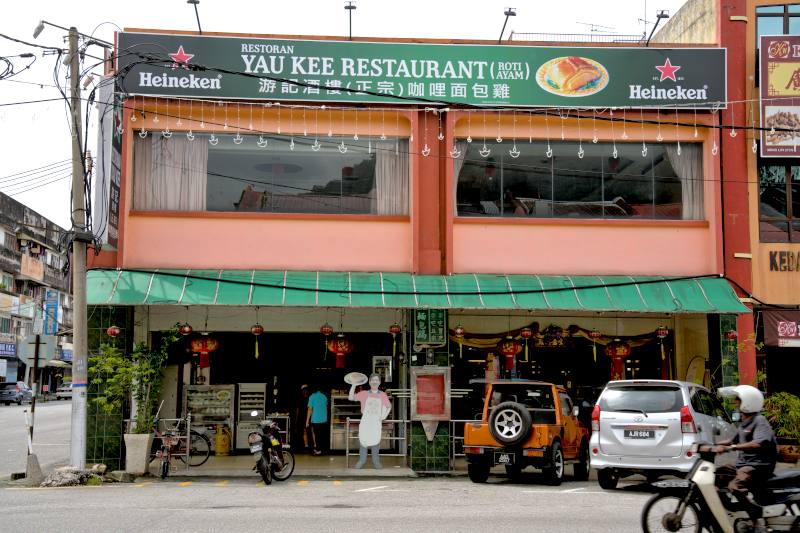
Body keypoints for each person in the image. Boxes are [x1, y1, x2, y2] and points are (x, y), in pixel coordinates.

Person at [714, 385, 778, 533]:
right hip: (744, 464)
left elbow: (758, 443)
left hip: (758, 465)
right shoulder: (745, 421)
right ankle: (729, 510)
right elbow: (731, 440)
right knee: (716, 475)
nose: (735, 402)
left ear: (748, 402)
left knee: (734, 486)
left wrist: (734, 447)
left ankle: (755, 517)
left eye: (738, 399)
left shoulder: (759, 420)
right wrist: (711, 445)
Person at [349, 373, 391, 469]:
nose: (374, 381)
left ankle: (376, 462)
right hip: (366, 421)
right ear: (369, 382)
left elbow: (389, 406)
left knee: (375, 441)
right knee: (363, 441)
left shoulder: (383, 395)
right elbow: (351, 397)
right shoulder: (364, 393)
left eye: (377, 380)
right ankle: (361, 461)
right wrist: (353, 385)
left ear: (379, 382)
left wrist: (383, 416)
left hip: (376, 422)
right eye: (373, 380)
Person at [306, 384, 329, 456]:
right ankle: (322, 450)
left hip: (316, 419)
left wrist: (307, 421)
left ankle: (318, 450)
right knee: (322, 435)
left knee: (317, 435)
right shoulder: (324, 396)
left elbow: (310, 409)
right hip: (324, 419)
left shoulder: (312, 397)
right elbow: (326, 407)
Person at [293, 384, 311, 451]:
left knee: (310, 430)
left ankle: (310, 445)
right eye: (304, 390)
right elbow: (298, 409)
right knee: (304, 430)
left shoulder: (310, 398)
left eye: (306, 389)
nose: (305, 391)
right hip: (302, 416)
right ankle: (306, 445)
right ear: (302, 391)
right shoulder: (300, 398)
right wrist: (297, 418)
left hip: (309, 416)